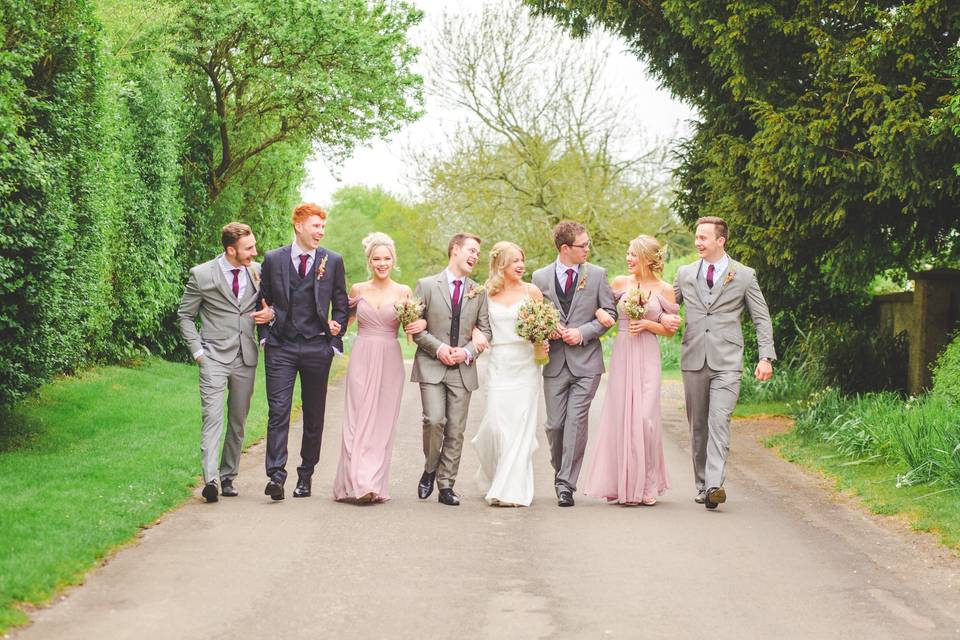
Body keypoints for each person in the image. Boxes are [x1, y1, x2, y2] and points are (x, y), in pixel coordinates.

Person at [664, 216, 776, 510]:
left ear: (720, 241)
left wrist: (766, 357)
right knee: (697, 425)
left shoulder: (744, 275)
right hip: (693, 358)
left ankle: (715, 484)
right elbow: (666, 305)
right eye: (697, 237)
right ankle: (702, 485)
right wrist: (639, 309)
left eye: (703, 238)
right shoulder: (685, 273)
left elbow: (761, 318)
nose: (697, 242)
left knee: (719, 420)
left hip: (727, 361)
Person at [258, 203, 349, 501]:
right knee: (279, 410)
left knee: (314, 414)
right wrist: (264, 335)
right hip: (281, 346)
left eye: (323, 227)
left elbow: (341, 303)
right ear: (299, 226)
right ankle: (276, 475)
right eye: (315, 226)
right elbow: (264, 301)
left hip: (316, 346)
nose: (320, 232)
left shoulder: (332, 261)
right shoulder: (273, 259)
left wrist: (335, 338)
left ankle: (305, 475)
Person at [177, 222, 274, 502]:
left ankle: (229, 475)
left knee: (238, 420)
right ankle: (211, 480)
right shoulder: (202, 274)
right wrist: (198, 352)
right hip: (213, 358)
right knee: (212, 418)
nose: (255, 252)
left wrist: (272, 314)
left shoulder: (257, 273)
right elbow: (185, 315)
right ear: (231, 249)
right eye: (249, 248)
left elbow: (274, 305)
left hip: (246, 357)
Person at [582, 235, 679, 506]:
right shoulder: (620, 283)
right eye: (627, 253)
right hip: (623, 353)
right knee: (623, 417)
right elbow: (603, 310)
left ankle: (647, 485)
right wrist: (601, 314)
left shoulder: (665, 289)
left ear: (648, 258)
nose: (628, 259)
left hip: (648, 353)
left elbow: (670, 332)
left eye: (633, 254)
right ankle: (623, 485)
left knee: (646, 419)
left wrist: (650, 325)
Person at [333, 233, 425, 503]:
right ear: (369, 261)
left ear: (393, 260)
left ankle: (370, 483)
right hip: (362, 354)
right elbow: (343, 321)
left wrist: (420, 325)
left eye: (386, 258)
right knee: (356, 418)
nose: (382, 263)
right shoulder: (357, 290)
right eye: (377, 259)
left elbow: (414, 328)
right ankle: (353, 481)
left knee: (382, 422)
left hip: (389, 357)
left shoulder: (404, 292)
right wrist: (330, 328)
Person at [532, 221, 617, 507]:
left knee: (576, 422)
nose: (588, 250)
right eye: (583, 245)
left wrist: (583, 332)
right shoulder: (540, 277)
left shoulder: (597, 275)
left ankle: (565, 483)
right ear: (565, 248)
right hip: (554, 362)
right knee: (554, 425)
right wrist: (547, 328)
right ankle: (561, 470)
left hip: (587, 363)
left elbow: (609, 312)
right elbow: (533, 314)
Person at [411, 233, 492, 506]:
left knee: (456, 430)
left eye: (478, 254)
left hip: (462, 370)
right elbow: (413, 327)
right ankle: (430, 468)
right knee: (434, 421)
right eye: (471, 251)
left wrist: (467, 351)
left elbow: (486, 331)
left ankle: (446, 485)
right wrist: (439, 349)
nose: (475, 257)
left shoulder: (479, 292)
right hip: (432, 365)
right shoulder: (426, 285)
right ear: (455, 250)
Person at [471, 242, 543, 507]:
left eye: (522, 259)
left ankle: (510, 489)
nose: (521, 265)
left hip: (526, 363)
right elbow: (472, 323)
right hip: (499, 363)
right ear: (500, 264)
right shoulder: (484, 293)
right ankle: (494, 475)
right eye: (514, 261)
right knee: (495, 426)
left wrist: (542, 339)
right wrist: (476, 333)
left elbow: (543, 323)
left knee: (520, 426)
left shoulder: (532, 291)